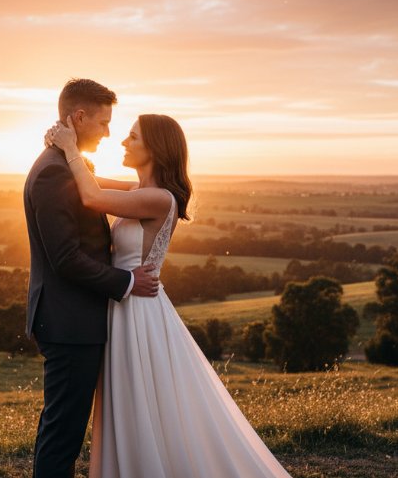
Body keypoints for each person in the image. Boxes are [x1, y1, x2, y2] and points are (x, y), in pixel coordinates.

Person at [48, 113, 293, 478]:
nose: (122, 142)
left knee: (142, 401)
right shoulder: (138, 193)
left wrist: (69, 147)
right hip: (125, 305)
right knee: (132, 402)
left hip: (139, 312)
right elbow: (85, 180)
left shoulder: (160, 199)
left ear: (155, 149)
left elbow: (91, 196)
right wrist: (62, 149)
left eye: (132, 137)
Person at [24, 78, 161, 478]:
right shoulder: (54, 173)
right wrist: (128, 282)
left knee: (61, 426)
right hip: (69, 323)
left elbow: (116, 191)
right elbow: (65, 259)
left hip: (75, 320)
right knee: (63, 432)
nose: (108, 132)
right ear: (79, 117)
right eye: (103, 123)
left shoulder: (68, 165)